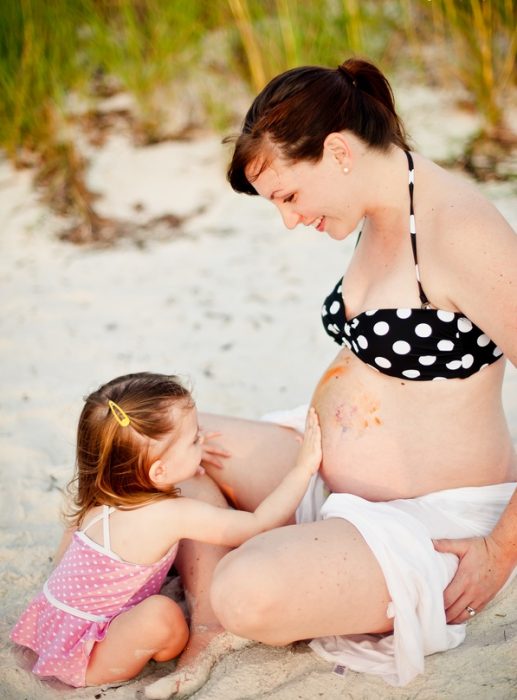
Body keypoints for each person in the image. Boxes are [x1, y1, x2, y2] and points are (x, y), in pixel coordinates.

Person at [159, 57, 517, 691]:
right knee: (156, 447)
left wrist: (500, 552)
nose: (289, 221)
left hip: (429, 521)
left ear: (339, 152)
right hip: (324, 475)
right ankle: (211, 617)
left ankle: (223, 596)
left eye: (290, 197)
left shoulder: (459, 230)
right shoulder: (377, 208)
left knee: (248, 589)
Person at [10, 372, 322, 688]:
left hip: (51, 627)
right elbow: (258, 523)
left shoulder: (101, 494)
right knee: (165, 616)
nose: (203, 441)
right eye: (195, 439)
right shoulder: (171, 514)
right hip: (90, 657)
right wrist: (303, 469)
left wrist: (184, 460)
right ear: (159, 470)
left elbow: (156, 474)